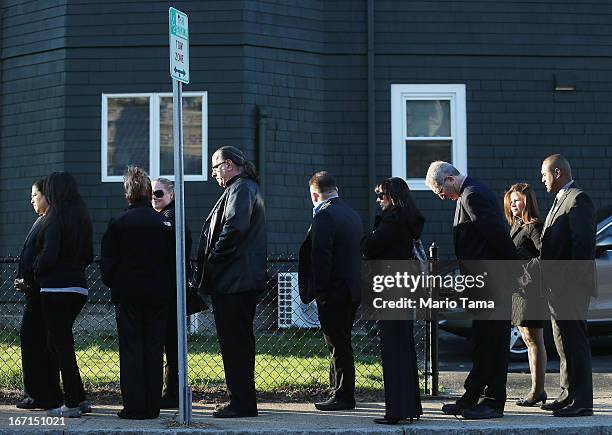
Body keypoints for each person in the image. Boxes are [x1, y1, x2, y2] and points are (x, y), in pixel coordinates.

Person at [425, 161, 517, 420]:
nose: (443, 198)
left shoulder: (472, 195)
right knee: (481, 342)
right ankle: (472, 396)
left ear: (450, 179)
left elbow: (497, 236)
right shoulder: (469, 194)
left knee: (492, 343)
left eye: (441, 192)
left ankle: (492, 401)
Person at [195, 146, 266, 418]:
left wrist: (213, 259)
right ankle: (243, 400)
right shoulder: (245, 188)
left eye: (215, 166)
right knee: (240, 343)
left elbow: (234, 228)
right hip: (239, 279)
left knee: (235, 343)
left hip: (234, 281)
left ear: (228, 164)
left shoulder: (241, 189)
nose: (213, 172)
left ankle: (242, 402)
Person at [101, 166, 175, 420]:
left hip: (128, 293)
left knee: (131, 349)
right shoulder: (164, 223)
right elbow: (172, 260)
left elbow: (107, 264)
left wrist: (117, 282)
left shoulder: (118, 223)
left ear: (128, 193)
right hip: (159, 294)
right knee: (154, 348)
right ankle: (153, 406)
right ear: (147, 193)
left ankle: (134, 406)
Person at [361, 177, 423, 424]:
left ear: (392, 197)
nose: (378, 200)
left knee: (393, 351)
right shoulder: (407, 221)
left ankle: (395, 410)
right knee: (404, 350)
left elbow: (370, 246)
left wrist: (373, 232)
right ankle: (409, 407)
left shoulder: (392, 221)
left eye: (381, 196)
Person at [298, 171, 362, 411]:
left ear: (315, 195)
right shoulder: (351, 214)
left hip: (333, 292)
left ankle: (343, 396)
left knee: (337, 345)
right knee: (342, 342)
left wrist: (320, 293)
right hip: (351, 290)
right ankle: (339, 390)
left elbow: (321, 259)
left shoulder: (324, 216)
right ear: (336, 190)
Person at [539, 154, 595, 417]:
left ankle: (582, 401)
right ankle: (567, 393)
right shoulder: (560, 200)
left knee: (575, 341)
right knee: (562, 341)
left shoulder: (578, 199)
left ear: (557, 172)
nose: (542, 179)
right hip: (556, 288)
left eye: (544, 174)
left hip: (570, 287)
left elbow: (582, 246)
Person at [34, 172, 94, 418]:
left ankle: (70, 402)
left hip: (55, 288)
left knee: (60, 345)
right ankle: (79, 397)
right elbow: (89, 255)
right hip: (78, 287)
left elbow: (49, 255)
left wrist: (36, 268)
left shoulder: (55, 218)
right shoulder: (82, 216)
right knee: (60, 342)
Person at [14, 178, 63, 411]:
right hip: (33, 291)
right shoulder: (41, 220)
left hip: (41, 292)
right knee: (36, 341)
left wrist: (30, 280)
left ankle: (38, 394)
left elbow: (45, 257)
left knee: (35, 340)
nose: (31, 199)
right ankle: (42, 393)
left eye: (35, 195)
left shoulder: (50, 222)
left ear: (46, 196)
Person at [503, 183, 548, 406]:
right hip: (519, 292)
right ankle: (536, 390)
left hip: (531, 292)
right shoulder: (517, 224)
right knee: (528, 339)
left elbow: (545, 257)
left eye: (518, 200)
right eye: (511, 201)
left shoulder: (533, 226)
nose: (513, 205)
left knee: (534, 340)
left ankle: (537, 391)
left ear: (528, 201)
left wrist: (523, 271)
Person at [151, 177, 193, 409]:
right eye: (151, 194)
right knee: (170, 342)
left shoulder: (171, 219)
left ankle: (173, 393)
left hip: (171, 289)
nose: (154, 198)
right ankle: (171, 392)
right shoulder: (165, 218)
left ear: (171, 195)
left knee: (171, 343)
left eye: (158, 193)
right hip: (171, 287)